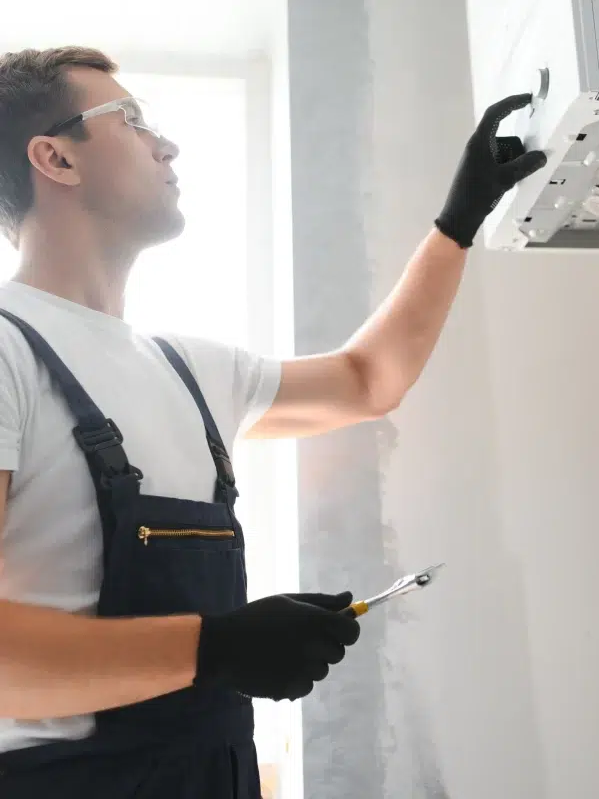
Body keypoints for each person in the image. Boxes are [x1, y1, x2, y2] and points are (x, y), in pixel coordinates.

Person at [0, 46, 546, 798]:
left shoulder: (188, 370)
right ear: (55, 157)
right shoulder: (6, 351)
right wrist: (217, 647)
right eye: (130, 120)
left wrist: (458, 222)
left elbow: (366, 379)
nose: (167, 143)